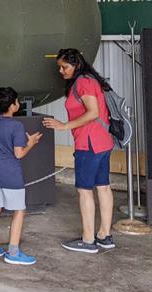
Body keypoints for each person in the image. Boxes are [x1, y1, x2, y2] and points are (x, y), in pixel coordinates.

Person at [43, 48, 117, 254]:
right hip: (103, 142)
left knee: (85, 190)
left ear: (76, 65)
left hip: (88, 143)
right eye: (60, 67)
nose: (61, 71)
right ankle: (104, 235)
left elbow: (92, 113)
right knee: (103, 187)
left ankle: (88, 240)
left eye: (64, 67)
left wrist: (64, 126)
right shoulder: (91, 80)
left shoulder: (83, 82)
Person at [0, 87, 42, 266]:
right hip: (12, 176)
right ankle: (13, 252)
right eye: (16, 101)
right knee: (19, 211)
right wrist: (31, 143)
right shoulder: (16, 126)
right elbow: (19, 154)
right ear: (12, 106)